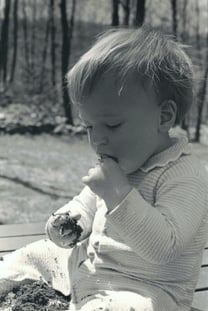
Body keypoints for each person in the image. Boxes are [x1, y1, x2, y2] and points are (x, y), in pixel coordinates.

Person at [45, 26, 208, 311]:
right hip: (90, 275)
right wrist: (67, 223)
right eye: (89, 126)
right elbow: (85, 206)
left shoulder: (186, 175)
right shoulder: (119, 162)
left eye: (112, 125)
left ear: (164, 116)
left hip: (148, 293)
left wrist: (118, 193)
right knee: (31, 257)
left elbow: (163, 246)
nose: (97, 139)